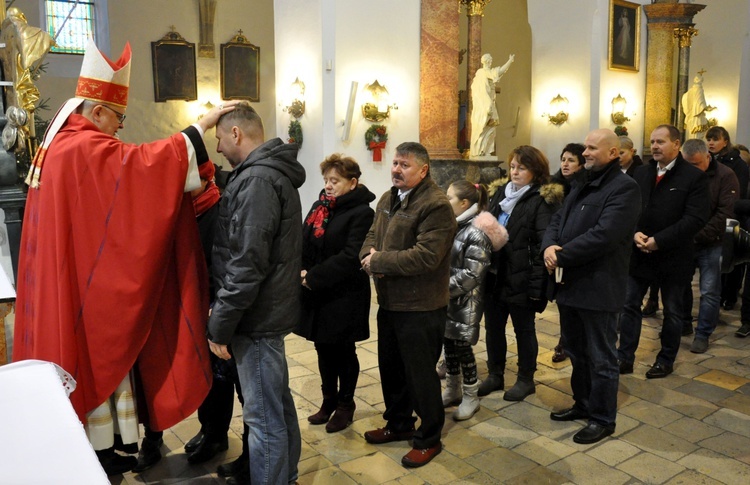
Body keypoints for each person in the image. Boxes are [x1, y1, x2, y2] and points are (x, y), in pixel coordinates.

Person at [12, 39, 231, 475]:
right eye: (118, 118)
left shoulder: (61, 145)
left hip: (68, 281)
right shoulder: (81, 147)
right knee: (100, 353)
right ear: (96, 112)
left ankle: (105, 445)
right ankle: (101, 451)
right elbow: (140, 170)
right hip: (83, 293)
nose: (119, 128)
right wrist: (198, 127)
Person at [207, 102, 305, 484]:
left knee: (263, 419)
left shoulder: (257, 181)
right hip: (264, 313)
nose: (218, 149)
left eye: (219, 139)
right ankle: (288, 476)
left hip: (256, 317)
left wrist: (220, 324)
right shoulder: (264, 174)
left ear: (236, 133)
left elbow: (247, 263)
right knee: (277, 406)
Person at [360, 142, 455, 468]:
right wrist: (367, 256)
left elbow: (427, 256)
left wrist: (379, 261)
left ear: (423, 170)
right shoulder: (388, 198)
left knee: (420, 376)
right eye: (395, 163)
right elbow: (372, 234)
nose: (396, 169)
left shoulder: (437, 206)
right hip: (390, 301)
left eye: (404, 165)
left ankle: (429, 438)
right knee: (391, 370)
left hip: (421, 306)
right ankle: (399, 424)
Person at [543, 128, 641, 444]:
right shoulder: (581, 182)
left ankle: (602, 418)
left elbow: (605, 235)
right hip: (571, 284)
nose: (585, 153)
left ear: (613, 153)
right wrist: (549, 246)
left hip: (599, 286)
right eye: (584, 147)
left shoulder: (624, 188)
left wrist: (562, 255)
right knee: (576, 352)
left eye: (592, 148)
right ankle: (582, 404)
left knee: (601, 358)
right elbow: (558, 220)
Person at [617, 124, 710, 379]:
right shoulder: (642, 173)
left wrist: (660, 240)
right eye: (652, 141)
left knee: (672, 311)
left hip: (673, 256)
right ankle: (624, 357)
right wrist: (635, 231)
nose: (655, 146)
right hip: (640, 253)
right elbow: (630, 209)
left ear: (677, 144)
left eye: (660, 142)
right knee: (629, 305)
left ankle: (665, 359)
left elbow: (695, 219)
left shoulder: (694, 177)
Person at [295, 154, 375, 433]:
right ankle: (328, 400)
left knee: (343, 350)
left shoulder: (363, 212)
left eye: (335, 181)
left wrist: (313, 277)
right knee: (322, 347)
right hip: (316, 291)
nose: (328, 185)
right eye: (326, 180)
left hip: (344, 292)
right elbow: (304, 240)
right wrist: (301, 269)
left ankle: (345, 405)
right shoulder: (321, 206)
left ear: (353, 183)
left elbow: (351, 255)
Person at [479, 146, 564, 400]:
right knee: (493, 328)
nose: (515, 172)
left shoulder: (541, 200)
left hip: (522, 276)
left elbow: (542, 245)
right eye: (513, 166)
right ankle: (495, 375)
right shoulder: (499, 193)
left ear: (535, 172)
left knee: (523, 329)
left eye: (522, 168)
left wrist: (538, 286)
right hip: (495, 273)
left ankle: (526, 379)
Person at [441, 181, 508, 421]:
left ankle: (471, 396)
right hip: (449, 298)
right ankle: (452, 388)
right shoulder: (456, 225)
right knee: (448, 344)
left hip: (465, 300)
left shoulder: (476, 232)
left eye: (449, 197)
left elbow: (472, 274)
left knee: (462, 348)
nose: (445, 201)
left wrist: (441, 289)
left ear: (464, 203)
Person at [681, 139, 739, 353]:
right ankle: (684, 322)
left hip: (712, 242)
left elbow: (725, 213)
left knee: (709, 290)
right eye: (687, 164)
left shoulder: (726, 175)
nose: (691, 169)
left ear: (707, 157)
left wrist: (696, 235)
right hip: (686, 241)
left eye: (696, 164)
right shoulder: (683, 172)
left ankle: (703, 333)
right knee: (681, 285)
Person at [550, 143, 586, 363]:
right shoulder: (554, 186)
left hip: (574, 252)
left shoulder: (583, 186)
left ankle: (568, 342)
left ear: (581, 163)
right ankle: (565, 340)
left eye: (571, 160)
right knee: (562, 300)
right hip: (555, 251)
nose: (565, 163)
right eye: (563, 159)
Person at [707, 126, 749, 311]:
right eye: (709, 139)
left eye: (715, 139)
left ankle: (728, 296)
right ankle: (716, 297)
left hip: (731, 218)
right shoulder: (709, 161)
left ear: (725, 141)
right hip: (713, 217)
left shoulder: (737, 164)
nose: (711, 142)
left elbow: (736, 194)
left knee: (729, 261)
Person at [470, 53, 515, 158]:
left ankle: (485, 150)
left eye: (490, 60)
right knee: (483, 127)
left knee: (491, 128)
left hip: (490, 102)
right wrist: (487, 103)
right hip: (483, 105)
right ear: (485, 61)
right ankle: (479, 150)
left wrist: (510, 61)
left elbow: (500, 71)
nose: (490, 62)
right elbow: (479, 92)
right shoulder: (481, 73)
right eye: (488, 60)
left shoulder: (490, 72)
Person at [682, 73, 709, 139]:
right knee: (697, 135)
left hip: (691, 116)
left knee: (692, 135)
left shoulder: (689, 91)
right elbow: (700, 102)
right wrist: (706, 108)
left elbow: (685, 100)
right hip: (697, 116)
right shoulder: (699, 89)